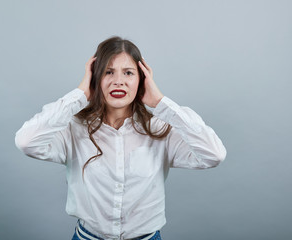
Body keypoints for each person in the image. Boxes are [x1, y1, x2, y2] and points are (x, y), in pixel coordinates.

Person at [15, 36, 226, 240]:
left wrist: (161, 102)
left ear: (142, 80)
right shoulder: (74, 128)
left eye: (128, 73)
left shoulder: (159, 129)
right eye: (108, 72)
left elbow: (214, 155)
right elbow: (27, 142)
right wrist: (80, 93)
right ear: (95, 78)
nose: (118, 82)